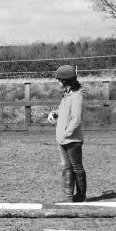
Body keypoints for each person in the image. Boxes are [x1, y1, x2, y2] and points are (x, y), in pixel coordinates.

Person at [47, 64, 87, 202]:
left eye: (59, 80)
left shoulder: (77, 96)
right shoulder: (67, 94)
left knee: (77, 168)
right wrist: (54, 113)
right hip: (62, 139)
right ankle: (68, 197)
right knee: (66, 168)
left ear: (66, 81)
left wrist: (66, 133)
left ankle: (81, 196)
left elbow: (76, 119)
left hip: (72, 140)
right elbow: (65, 111)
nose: (58, 82)